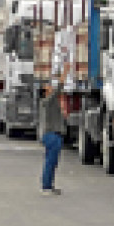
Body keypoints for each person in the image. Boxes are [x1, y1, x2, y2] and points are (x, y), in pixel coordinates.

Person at [39, 65, 68, 196]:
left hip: (52, 135)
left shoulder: (49, 102)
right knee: (50, 162)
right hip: (51, 135)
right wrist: (65, 72)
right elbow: (59, 89)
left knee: (52, 162)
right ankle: (46, 187)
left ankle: (49, 185)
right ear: (45, 92)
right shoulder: (47, 101)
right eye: (47, 87)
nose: (50, 87)